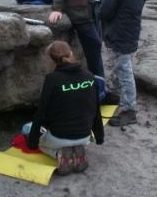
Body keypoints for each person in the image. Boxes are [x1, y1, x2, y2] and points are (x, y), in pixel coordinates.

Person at [48, 0, 116, 103]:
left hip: (93, 9)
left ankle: (98, 87)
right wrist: (57, 9)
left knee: (96, 44)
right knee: (94, 45)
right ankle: (99, 91)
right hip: (77, 13)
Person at [27, 40, 104, 175]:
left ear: (52, 60)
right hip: (85, 136)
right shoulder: (89, 76)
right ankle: (77, 153)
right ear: (71, 53)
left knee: (27, 129)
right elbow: (96, 109)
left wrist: (32, 142)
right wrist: (99, 136)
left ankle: (59, 154)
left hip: (59, 136)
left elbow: (41, 113)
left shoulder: (52, 79)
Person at [98, 0, 147, 126]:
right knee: (122, 68)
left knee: (124, 72)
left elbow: (104, 12)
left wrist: (98, 6)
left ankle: (129, 111)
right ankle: (119, 98)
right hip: (131, 35)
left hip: (119, 36)